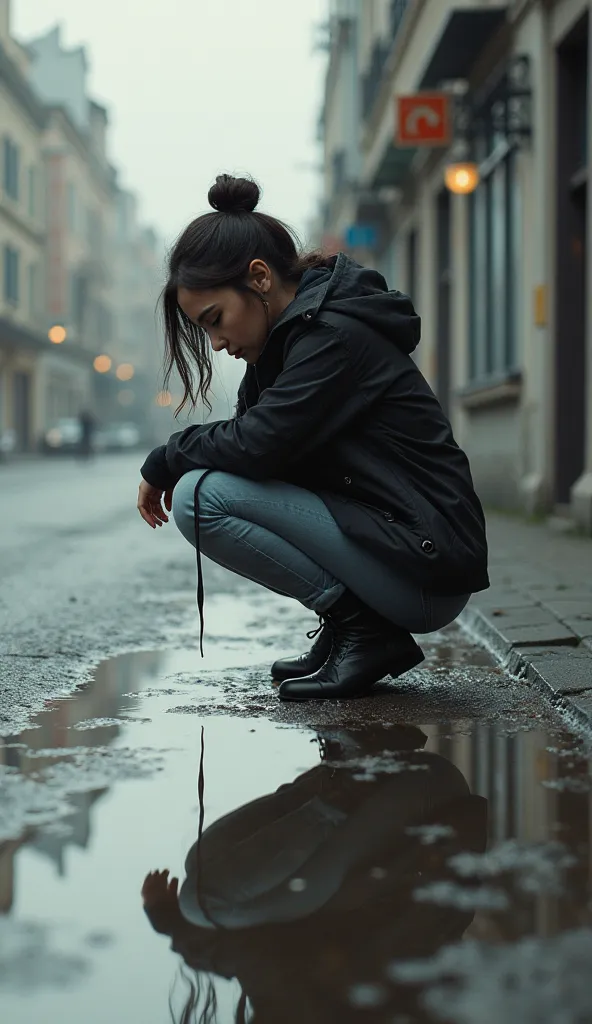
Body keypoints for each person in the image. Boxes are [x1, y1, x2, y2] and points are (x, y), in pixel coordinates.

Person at [137, 174, 489, 701]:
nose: (215, 343)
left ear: (258, 278)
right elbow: (255, 452)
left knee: (198, 497)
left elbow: (255, 445)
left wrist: (166, 459)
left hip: (425, 571)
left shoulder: (332, 336)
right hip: (398, 550)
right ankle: (353, 627)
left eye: (215, 320)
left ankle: (365, 630)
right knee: (207, 484)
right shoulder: (284, 346)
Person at [141, 725, 488, 1024]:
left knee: (200, 867)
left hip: (411, 791)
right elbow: (256, 955)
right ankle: (343, 788)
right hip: (424, 802)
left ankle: (347, 773)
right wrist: (173, 923)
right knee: (199, 902)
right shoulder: (316, 1011)